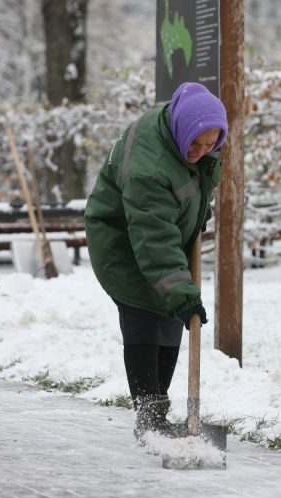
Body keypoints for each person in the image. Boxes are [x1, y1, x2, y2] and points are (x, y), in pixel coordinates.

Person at [84, 82, 228, 441]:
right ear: (181, 131)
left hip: (158, 238)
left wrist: (198, 211)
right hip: (123, 244)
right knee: (145, 315)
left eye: (210, 145)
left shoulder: (189, 133)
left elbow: (194, 184)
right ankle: (150, 415)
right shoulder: (149, 168)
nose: (200, 152)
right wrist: (183, 295)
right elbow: (153, 240)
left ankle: (156, 419)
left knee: (170, 318)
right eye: (195, 144)